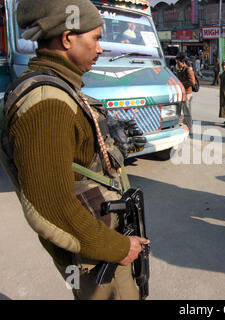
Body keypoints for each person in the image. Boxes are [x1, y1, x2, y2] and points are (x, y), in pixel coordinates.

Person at [7, 0, 149, 299]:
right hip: (95, 254)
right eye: (96, 38)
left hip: (95, 242)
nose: (101, 49)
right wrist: (119, 248)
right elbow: (51, 205)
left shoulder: (61, 87)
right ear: (68, 37)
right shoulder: (48, 101)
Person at [176, 53, 196, 134]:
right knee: (179, 111)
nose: (177, 64)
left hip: (187, 94)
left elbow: (192, 81)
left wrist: (181, 84)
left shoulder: (188, 69)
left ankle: (189, 130)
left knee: (187, 113)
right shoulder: (180, 69)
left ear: (183, 62)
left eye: (178, 62)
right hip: (182, 93)